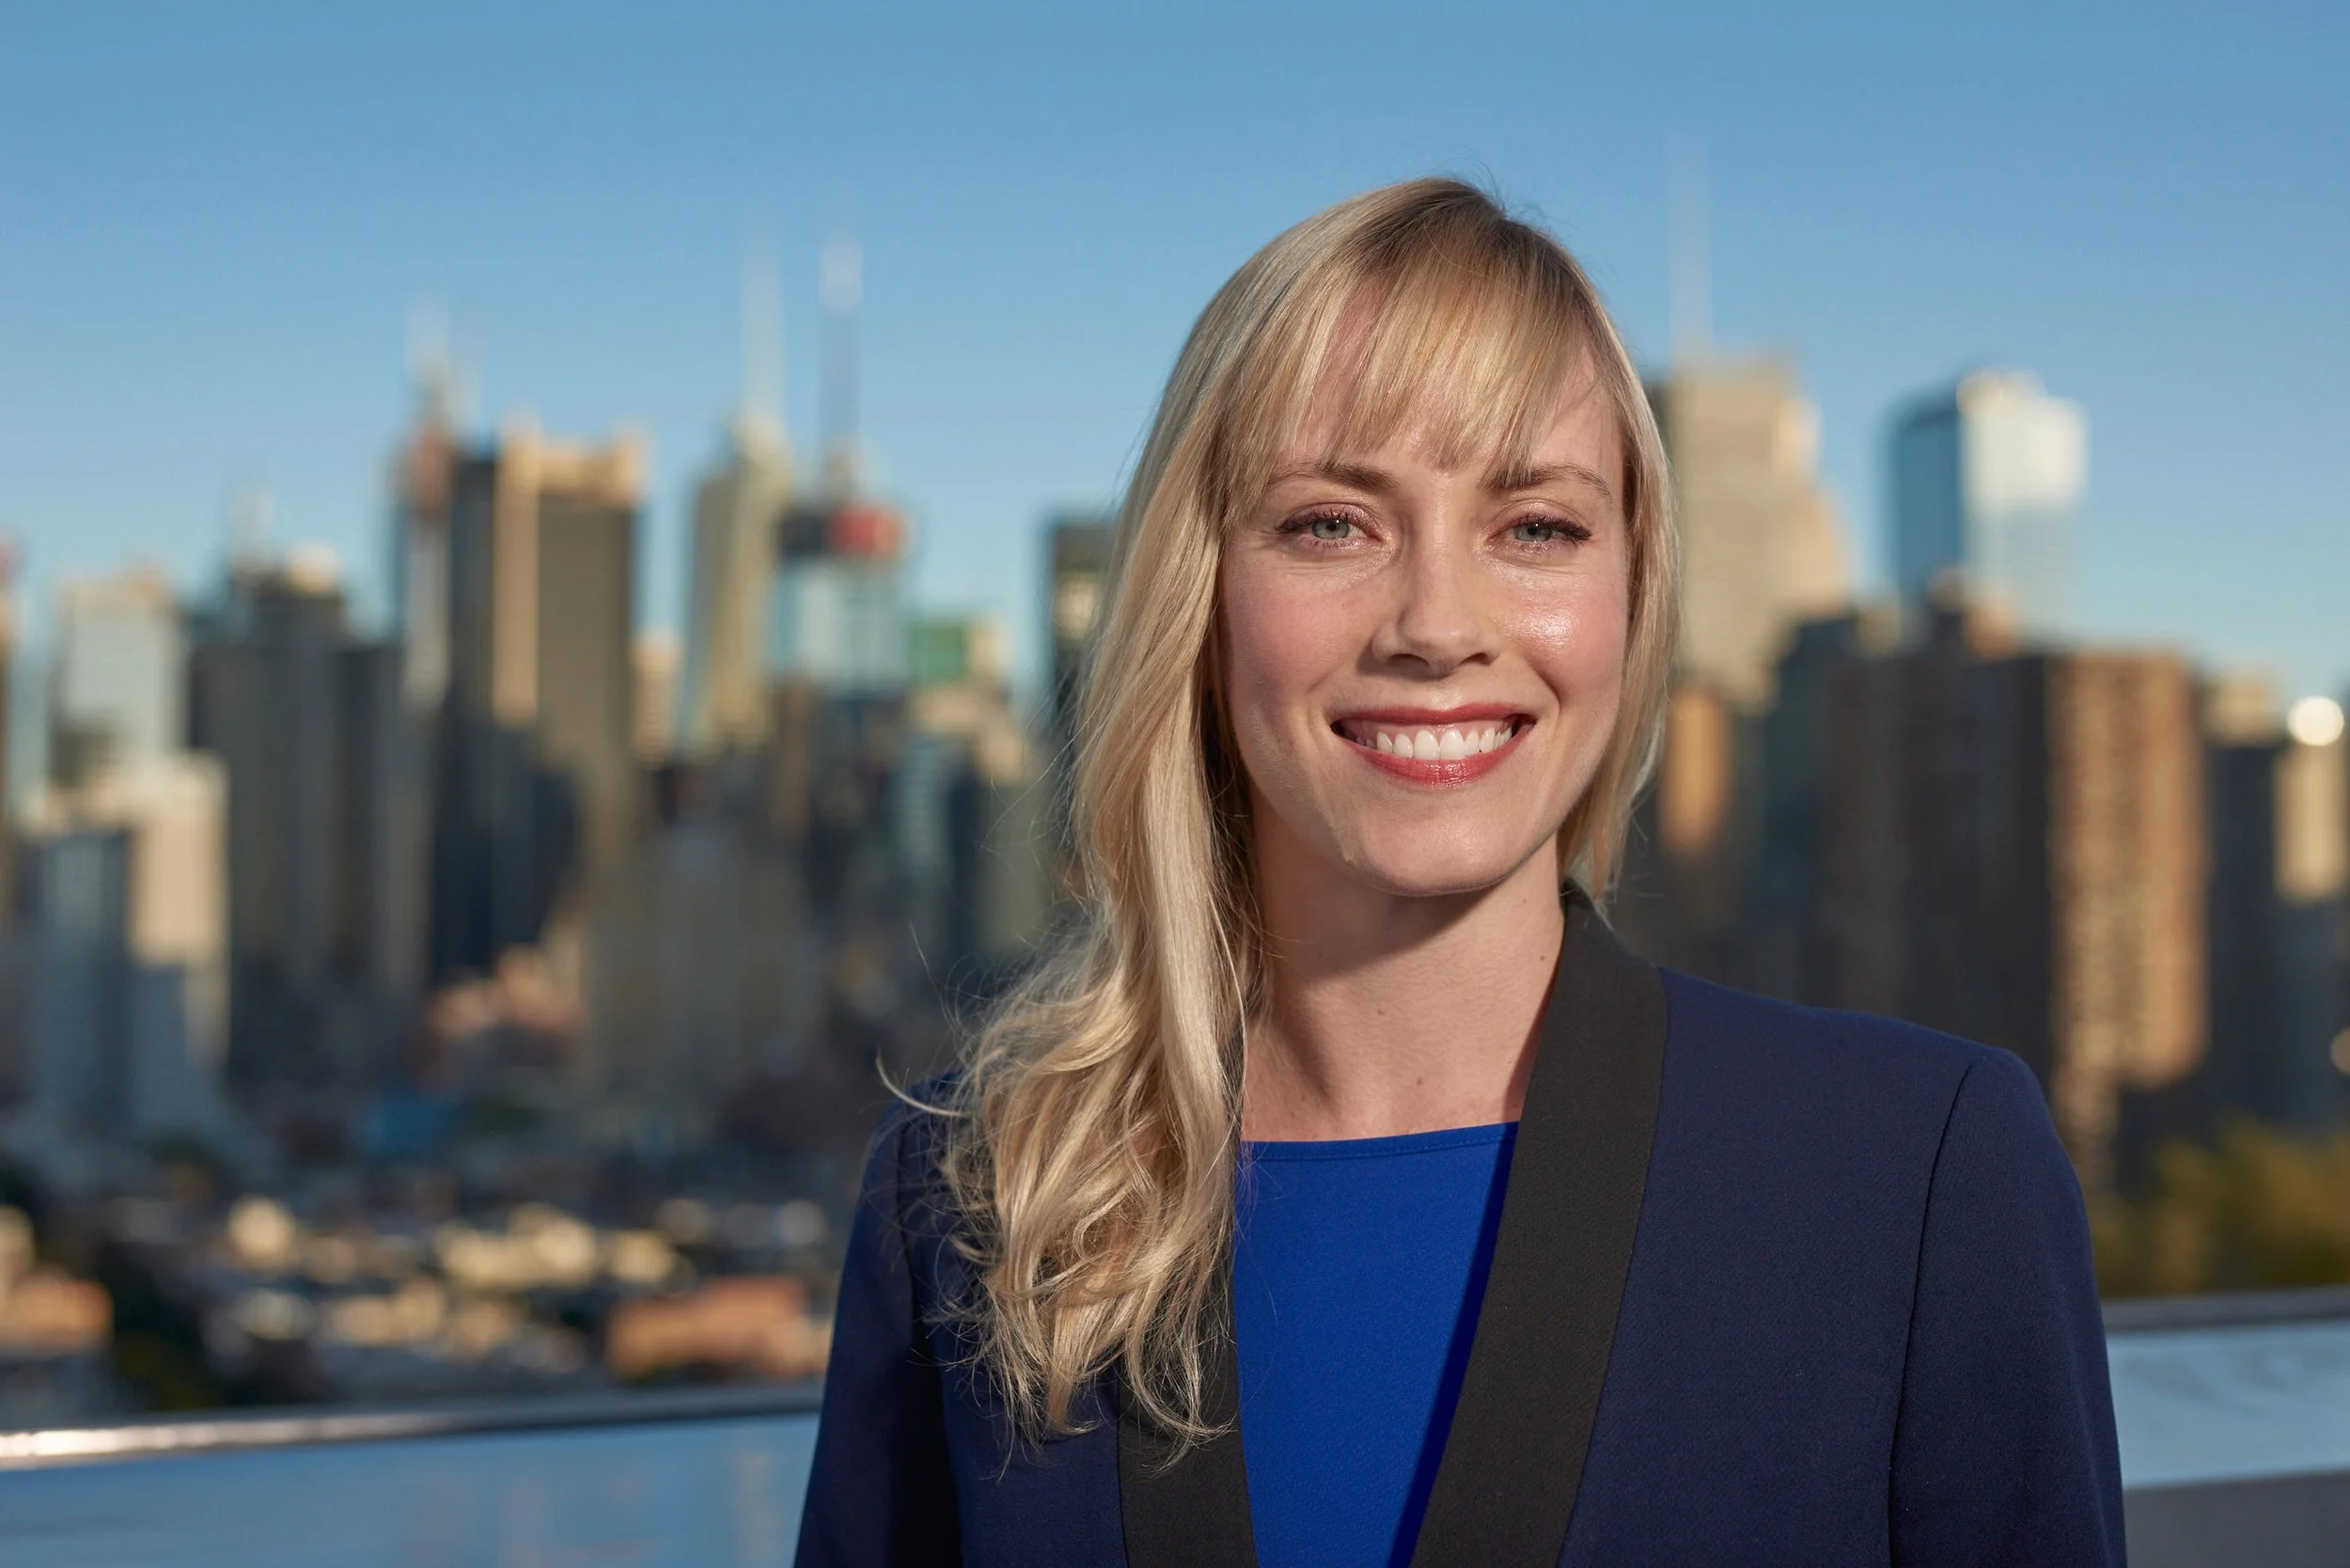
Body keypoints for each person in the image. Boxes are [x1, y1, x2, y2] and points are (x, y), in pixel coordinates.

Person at [797, 178, 2125, 1567]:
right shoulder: (968, 1198)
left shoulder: (1919, 1172)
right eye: (1332, 524)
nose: (1438, 624)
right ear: (1200, 599)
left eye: (1536, 527)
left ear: (1631, 598)